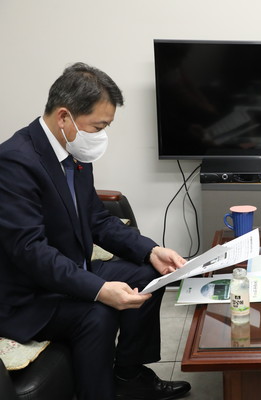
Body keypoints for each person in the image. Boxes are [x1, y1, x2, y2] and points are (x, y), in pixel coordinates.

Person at [0, 63, 192, 400]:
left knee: (149, 273)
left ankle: (128, 376)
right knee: (97, 313)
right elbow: (30, 251)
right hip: (30, 295)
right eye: (98, 126)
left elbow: (97, 220)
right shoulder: (14, 162)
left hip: (73, 269)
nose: (101, 135)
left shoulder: (74, 150)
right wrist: (99, 289)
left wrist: (150, 250)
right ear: (64, 117)